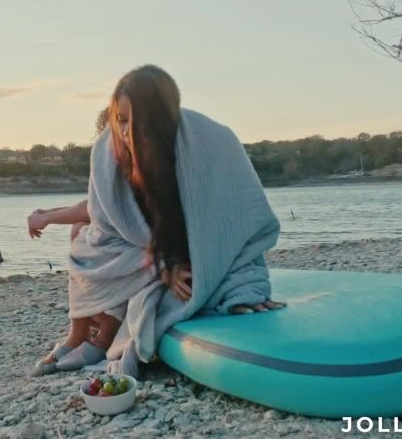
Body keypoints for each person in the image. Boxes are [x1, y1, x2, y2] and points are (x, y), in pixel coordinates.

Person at [29, 64, 284, 377]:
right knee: (85, 239)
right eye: (120, 119)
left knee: (110, 249)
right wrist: (47, 216)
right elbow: (105, 214)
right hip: (144, 244)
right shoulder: (108, 151)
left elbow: (231, 217)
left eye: (137, 122)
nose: (125, 131)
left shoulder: (208, 142)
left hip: (191, 245)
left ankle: (103, 338)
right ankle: (78, 336)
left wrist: (182, 265)